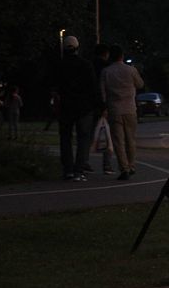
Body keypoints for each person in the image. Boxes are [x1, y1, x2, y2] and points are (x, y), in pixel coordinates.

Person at [57, 36, 98, 181]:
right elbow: (93, 87)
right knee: (83, 139)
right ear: (77, 47)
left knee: (65, 138)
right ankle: (79, 170)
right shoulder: (85, 65)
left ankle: (67, 169)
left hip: (66, 107)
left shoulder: (59, 66)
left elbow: (54, 86)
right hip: (84, 107)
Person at [101, 44, 144, 180]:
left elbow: (102, 93)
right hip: (130, 109)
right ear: (122, 56)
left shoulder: (106, 72)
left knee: (118, 141)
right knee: (130, 139)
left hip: (114, 109)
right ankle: (131, 166)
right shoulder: (131, 70)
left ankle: (123, 168)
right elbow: (140, 84)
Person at [92, 43, 115, 175]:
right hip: (105, 105)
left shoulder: (90, 65)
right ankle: (107, 165)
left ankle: (84, 163)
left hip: (91, 105)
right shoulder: (107, 68)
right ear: (106, 54)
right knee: (107, 135)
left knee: (89, 134)